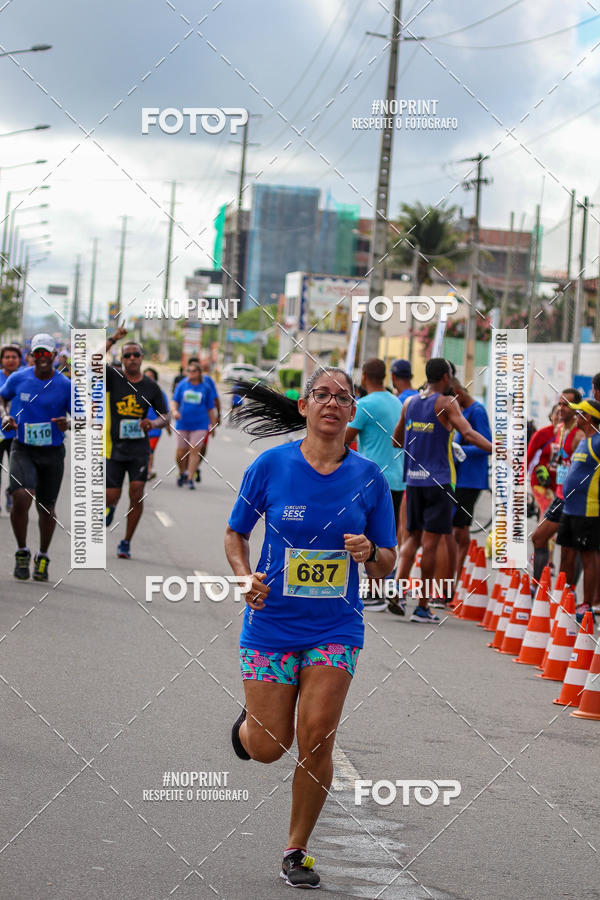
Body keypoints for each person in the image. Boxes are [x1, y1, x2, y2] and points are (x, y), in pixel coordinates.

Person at [225, 368, 397, 890]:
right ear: (304, 406)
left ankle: (296, 850)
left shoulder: (370, 477)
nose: (332, 403)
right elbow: (236, 533)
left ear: (352, 411)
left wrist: (372, 553)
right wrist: (243, 575)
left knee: (318, 738)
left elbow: (387, 561)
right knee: (269, 747)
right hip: (272, 624)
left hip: (336, 628)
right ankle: (247, 727)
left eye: (342, 397)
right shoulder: (270, 466)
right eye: (322, 395)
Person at [391, 358, 492, 623]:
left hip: (413, 480)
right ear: (447, 377)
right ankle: (422, 606)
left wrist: (420, 441)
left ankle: (396, 591)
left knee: (411, 537)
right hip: (439, 482)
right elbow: (468, 433)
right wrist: (497, 449)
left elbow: (396, 440)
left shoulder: (410, 403)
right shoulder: (447, 403)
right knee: (431, 543)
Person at [0, 334, 71, 581]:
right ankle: (22, 551)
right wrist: (5, 416)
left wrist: (69, 423)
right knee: (21, 496)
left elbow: (84, 418)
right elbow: (2, 396)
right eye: (37, 353)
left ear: (53, 356)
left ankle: (43, 555)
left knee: (46, 507)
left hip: (52, 452)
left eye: (46, 354)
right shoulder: (19, 378)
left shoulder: (65, 384)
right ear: (32, 355)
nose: (42, 358)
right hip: (23, 447)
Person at [345, 358, 404, 610]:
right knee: (387, 536)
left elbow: (341, 440)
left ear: (365, 376)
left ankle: (373, 592)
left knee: (368, 535)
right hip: (398, 478)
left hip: (371, 479)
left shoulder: (365, 405)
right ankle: (378, 589)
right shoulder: (396, 401)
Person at [104, 329, 169, 558]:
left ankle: (126, 541)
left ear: (142, 358)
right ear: (121, 360)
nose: (132, 358)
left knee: (136, 491)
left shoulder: (151, 386)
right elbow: (90, 362)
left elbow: (165, 416)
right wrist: (113, 339)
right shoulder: (113, 377)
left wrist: (153, 424)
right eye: (127, 355)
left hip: (139, 449)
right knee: (111, 495)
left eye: (136, 355)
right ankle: (109, 507)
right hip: (114, 447)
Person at [530, 390, 583, 584]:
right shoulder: (559, 429)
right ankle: (539, 586)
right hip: (559, 495)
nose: (561, 408)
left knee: (570, 550)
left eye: (566, 404)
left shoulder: (580, 435)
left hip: (574, 499)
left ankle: (567, 594)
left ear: (577, 408)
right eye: (559, 404)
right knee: (538, 537)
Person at [556, 398, 600, 621]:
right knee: (566, 553)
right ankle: (566, 594)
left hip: (588, 510)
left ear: (589, 417)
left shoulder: (598, 442)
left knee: (589, 556)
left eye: (580, 413)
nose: (576, 416)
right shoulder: (583, 440)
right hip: (570, 508)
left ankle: (587, 604)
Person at [449, 378, 492, 595]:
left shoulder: (477, 411)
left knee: (459, 529)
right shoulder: (462, 410)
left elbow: (487, 445)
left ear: (459, 392)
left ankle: (455, 581)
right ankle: (451, 579)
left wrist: (462, 450)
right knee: (454, 528)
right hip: (459, 478)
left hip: (471, 480)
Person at [171, 361, 216, 488]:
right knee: (181, 451)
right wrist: (174, 411)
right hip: (183, 423)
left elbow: (210, 408)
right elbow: (174, 401)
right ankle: (182, 472)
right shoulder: (182, 385)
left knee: (195, 449)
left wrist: (213, 425)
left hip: (200, 424)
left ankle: (190, 478)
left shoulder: (205, 388)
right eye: (188, 371)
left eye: (193, 371)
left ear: (199, 373)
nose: (190, 373)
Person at [0, 344, 22, 513]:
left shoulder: (25, 377)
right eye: (7, 357)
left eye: (14, 357)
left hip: (18, 432)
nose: (10, 360)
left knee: (18, 472)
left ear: (19, 359)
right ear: (2, 360)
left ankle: (10, 492)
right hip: (0, 432)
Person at [143, 367, 170, 479]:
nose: (148, 379)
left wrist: (168, 426)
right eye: (146, 376)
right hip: (139, 427)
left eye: (151, 377)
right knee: (143, 451)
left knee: (149, 450)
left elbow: (165, 412)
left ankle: (148, 471)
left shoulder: (159, 393)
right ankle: (145, 468)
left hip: (155, 428)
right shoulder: (135, 390)